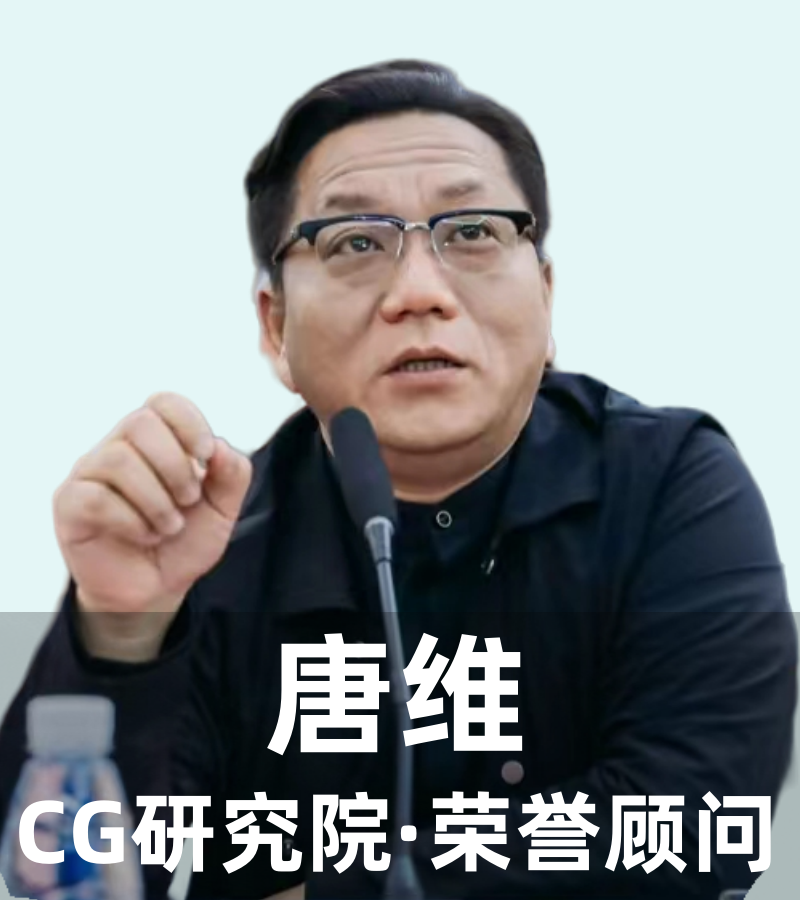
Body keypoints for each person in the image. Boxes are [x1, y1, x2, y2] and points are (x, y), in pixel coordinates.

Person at [0, 59, 795, 899]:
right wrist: (122, 630)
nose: (420, 292)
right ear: (275, 329)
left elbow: (690, 831)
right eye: (355, 243)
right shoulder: (205, 538)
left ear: (546, 297)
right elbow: (67, 874)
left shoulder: (667, 483)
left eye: (473, 233)